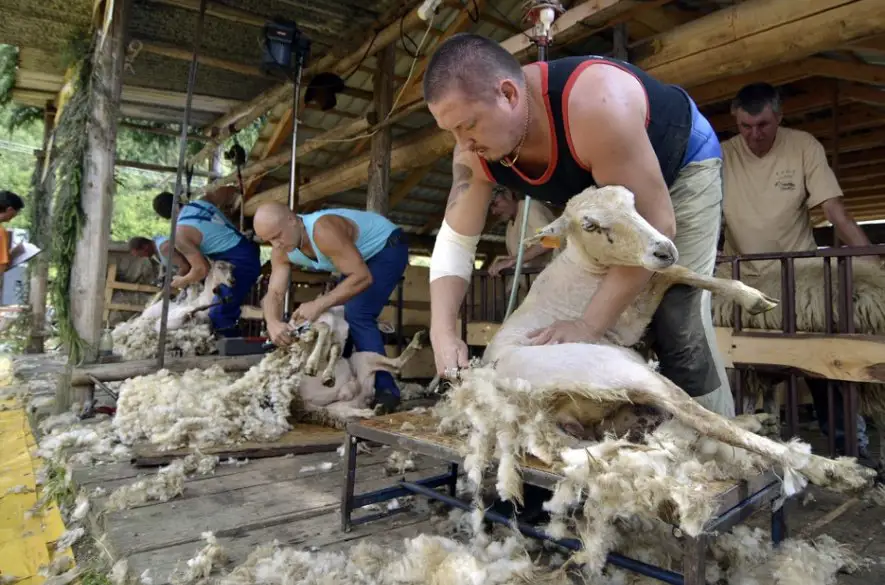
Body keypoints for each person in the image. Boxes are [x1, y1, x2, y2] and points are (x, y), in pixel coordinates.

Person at [421, 33, 734, 417]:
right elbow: (456, 240)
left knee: (678, 321)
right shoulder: (474, 150)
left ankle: (722, 452)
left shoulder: (595, 105)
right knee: (595, 321)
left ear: (508, 94)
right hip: (605, 198)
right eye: (450, 131)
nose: (462, 145)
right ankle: (642, 447)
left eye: (467, 125)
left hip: (679, 170)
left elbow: (655, 227)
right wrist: (442, 329)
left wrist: (588, 325)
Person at [721, 82, 873, 457]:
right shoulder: (721, 155)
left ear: (779, 117)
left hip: (798, 280)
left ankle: (851, 450)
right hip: (742, 280)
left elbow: (835, 211)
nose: (755, 135)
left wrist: (872, 265)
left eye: (764, 125)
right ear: (736, 123)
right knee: (743, 367)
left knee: (820, 359)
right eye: (745, 127)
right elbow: (705, 217)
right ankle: (753, 449)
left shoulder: (804, 146)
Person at [253, 202, 409, 414]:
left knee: (358, 313)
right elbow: (275, 293)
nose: (276, 244)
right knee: (339, 314)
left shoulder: (323, 230)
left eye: (278, 235)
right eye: (269, 240)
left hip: (386, 245)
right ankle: (347, 382)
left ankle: (386, 391)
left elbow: (362, 277)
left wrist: (318, 303)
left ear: (292, 219)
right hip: (356, 258)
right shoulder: (282, 249)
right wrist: (272, 322)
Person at [151, 190, 261, 338]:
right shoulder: (201, 203)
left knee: (218, 313)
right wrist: (236, 194)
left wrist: (181, 281)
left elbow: (201, 269)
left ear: (165, 217)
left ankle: (233, 352)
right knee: (227, 304)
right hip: (248, 249)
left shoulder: (180, 233)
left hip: (237, 264)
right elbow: (225, 190)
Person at [486, 184, 559, 277]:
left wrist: (512, 261)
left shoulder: (529, 207)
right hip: (537, 284)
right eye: (490, 209)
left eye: (495, 204)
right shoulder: (510, 226)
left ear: (508, 195)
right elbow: (521, 261)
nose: (494, 211)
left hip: (556, 279)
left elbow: (551, 240)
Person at [0, 191, 24, 277]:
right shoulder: (1, 232)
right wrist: (13, 254)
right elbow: (1, 268)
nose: (16, 215)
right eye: (17, 212)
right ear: (9, 209)